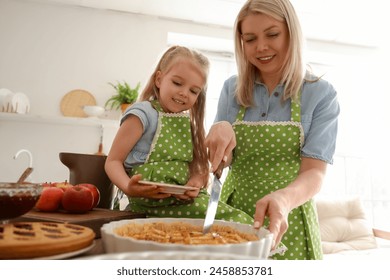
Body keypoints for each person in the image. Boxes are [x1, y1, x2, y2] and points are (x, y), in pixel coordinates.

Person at [205, 0, 340, 260]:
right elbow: (223, 161)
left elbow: (315, 172)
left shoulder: (320, 94)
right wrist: (219, 134)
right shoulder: (231, 90)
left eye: (272, 34)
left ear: (291, 32)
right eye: (250, 38)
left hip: (289, 215)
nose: (261, 47)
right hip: (234, 213)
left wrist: (284, 199)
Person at [105, 45, 252, 224]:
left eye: (193, 91)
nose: (184, 93)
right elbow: (113, 161)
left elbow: (198, 169)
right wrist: (129, 187)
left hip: (179, 203)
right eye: (177, 83)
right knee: (236, 222)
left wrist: (195, 183)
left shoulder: (189, 123)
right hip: (148, 205)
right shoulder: (142, 114)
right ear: (159, 79)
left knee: (236, 222)